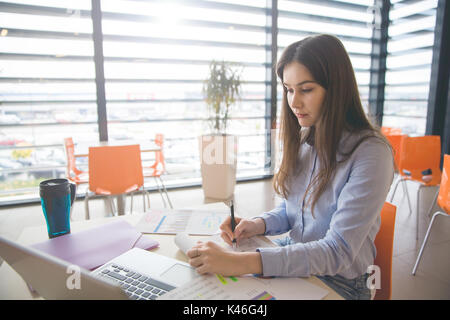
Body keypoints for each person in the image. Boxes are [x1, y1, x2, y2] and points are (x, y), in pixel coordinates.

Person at [187, 34, 394, 300]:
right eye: (289, 89)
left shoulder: (371, 153)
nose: (294, 102)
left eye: (306, 89)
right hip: (297, 257)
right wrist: (257, 224)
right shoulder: (306, 137)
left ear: (337, 88)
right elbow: (292, 210)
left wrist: (241, 262)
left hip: (340, 282)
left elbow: (337, 252)